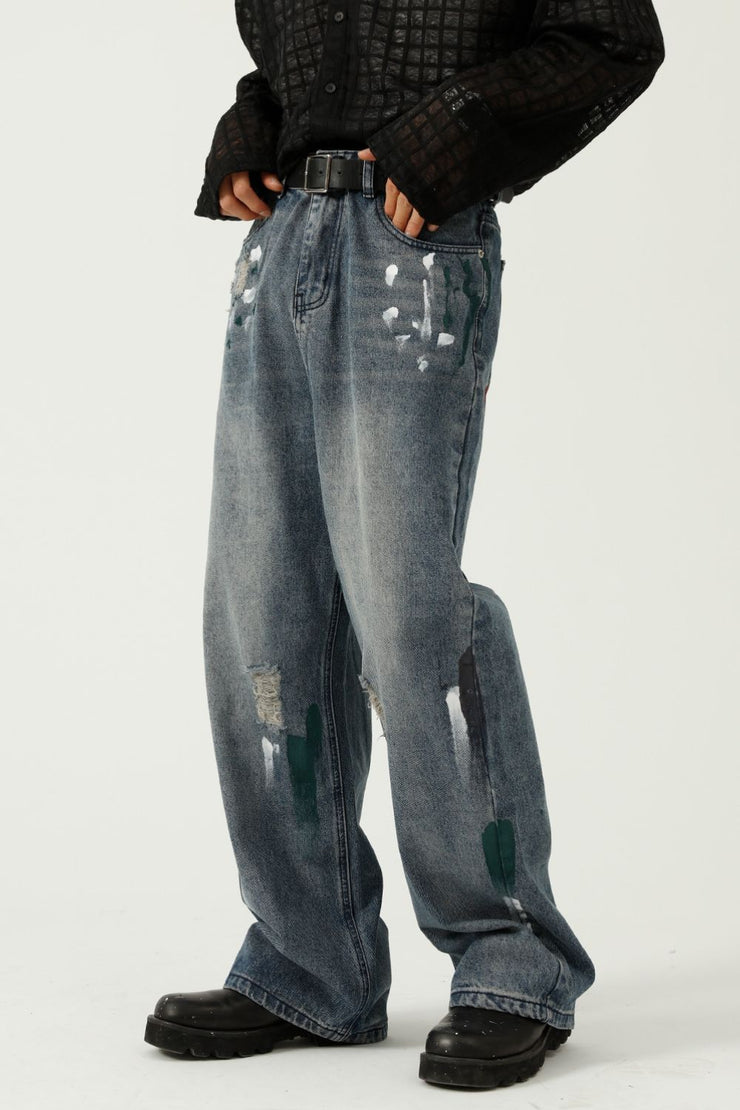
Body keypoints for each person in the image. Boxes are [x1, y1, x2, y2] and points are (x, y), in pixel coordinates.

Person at [144, 0, 665, 1090]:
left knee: (408, 610)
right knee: (258, 611)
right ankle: (310, 960)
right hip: (280, 244)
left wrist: (457, 130)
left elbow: (612, 38)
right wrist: (258, 120)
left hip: (410, 251)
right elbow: (300, 52)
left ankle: (512, 961)